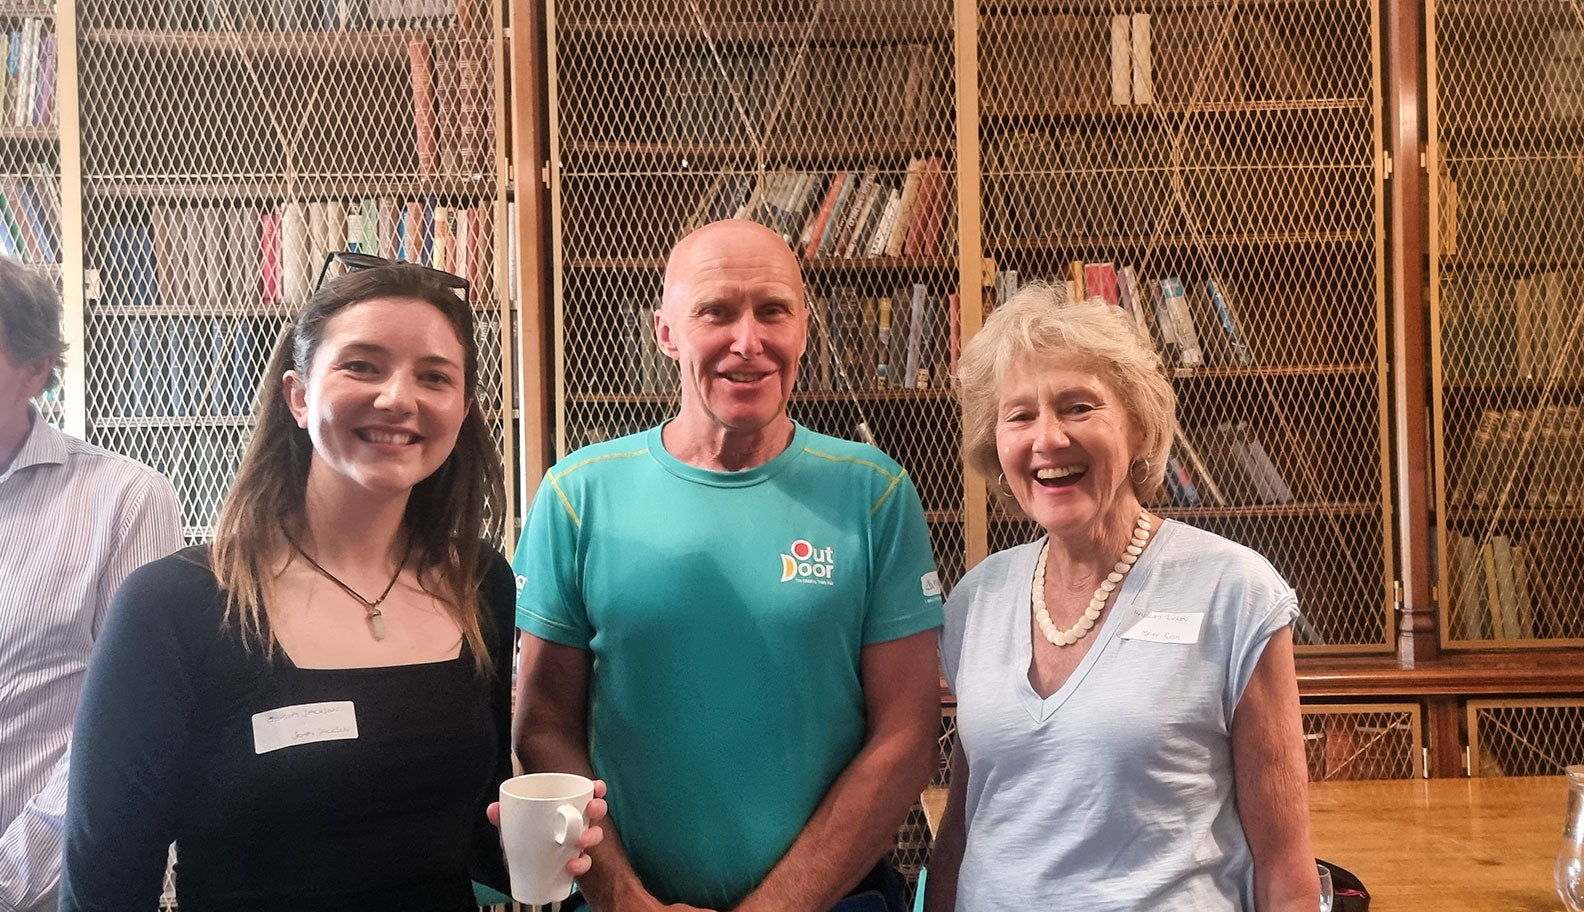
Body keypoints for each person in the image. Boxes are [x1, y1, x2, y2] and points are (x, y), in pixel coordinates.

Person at [59, 260, 603, 910]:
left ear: (461, 411)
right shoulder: (173, 607)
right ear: (297, 393)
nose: (398, 397)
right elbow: (103, 892)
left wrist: (549, 845)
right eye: (362, 366)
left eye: (434, 377)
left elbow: (469, 837)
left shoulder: (479, 583)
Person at [512, 218, 944, 912]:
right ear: (667, 333)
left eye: (773, 311)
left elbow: (908, 737)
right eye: (716, 312)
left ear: (804, 328)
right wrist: (625, 900)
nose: (749, 341)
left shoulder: (875, 492)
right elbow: (542, 726)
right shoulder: (577, 493)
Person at [926, 284, 1319, 912]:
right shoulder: (977, 600)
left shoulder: (1234, 592)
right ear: (995, 445)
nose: (1048, 439)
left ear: (1137, 428)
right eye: (1020, 415)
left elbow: (1284, 864)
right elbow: (971, 818)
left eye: (1078, 407)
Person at [0, 259, 182, 912]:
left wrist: (7, 879)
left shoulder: (124, 499)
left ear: (36, 367)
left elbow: (125, 734)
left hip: (66, 891)